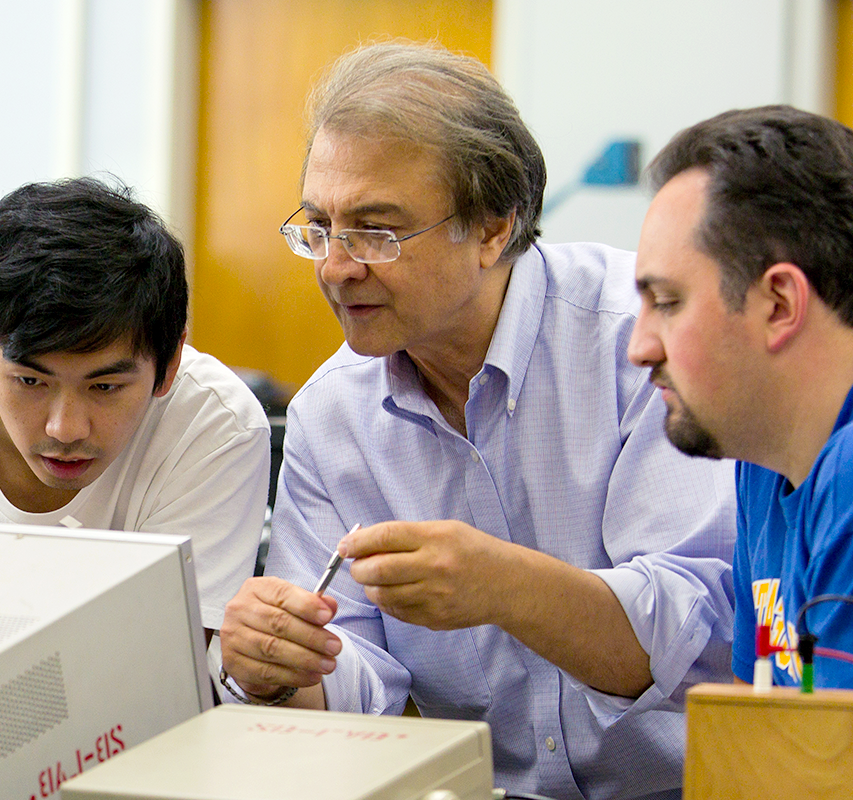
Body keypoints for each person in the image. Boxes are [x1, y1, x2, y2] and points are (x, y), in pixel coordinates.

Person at [217, 42, 736, 799]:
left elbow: (687, 632)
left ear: (494, 229)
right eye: (320, 226)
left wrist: (504, 585)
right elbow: (359, 688)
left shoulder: (640, 338)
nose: (335, 266)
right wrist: (278, 662)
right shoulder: (332, 415)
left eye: (375, 230)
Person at [0, 177, 269, 635]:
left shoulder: (215, 426)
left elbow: (165, 668)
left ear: (169, 365)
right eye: (31, 381)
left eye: (106, 388)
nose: (65, 428)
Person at [629, 105, 853, 689]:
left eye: (668, 302)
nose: (639, 347)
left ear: (778, 304)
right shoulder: (764, 462)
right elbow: (758, 731)